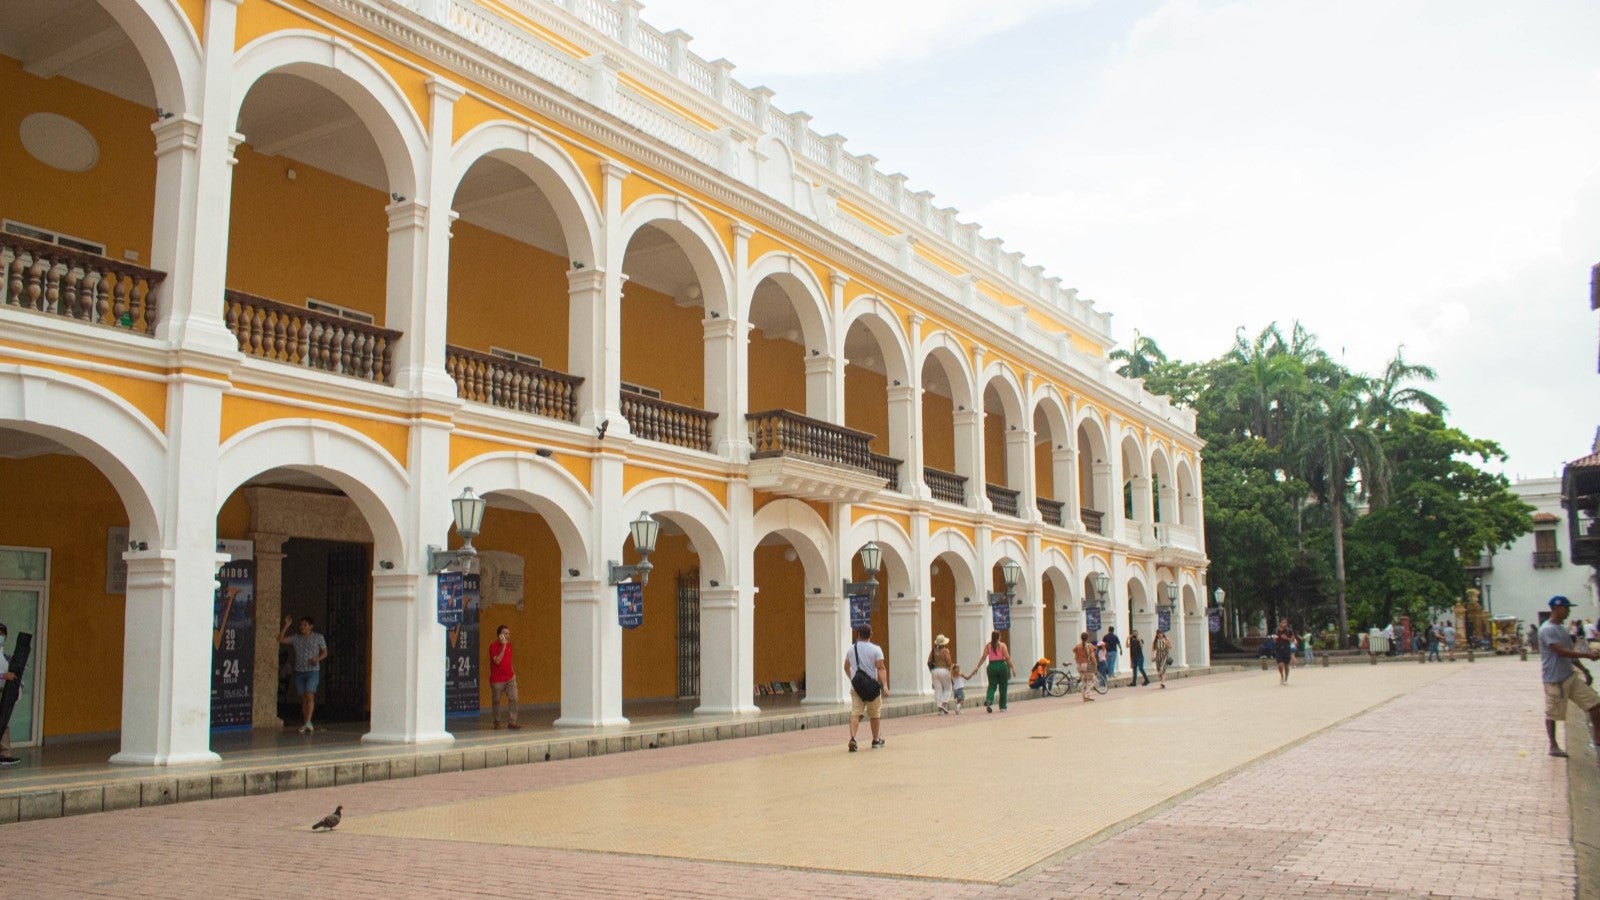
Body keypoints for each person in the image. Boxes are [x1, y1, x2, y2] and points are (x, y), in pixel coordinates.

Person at [1538, 595, 1600, 759]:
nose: (1568, 611)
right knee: (1553, 713)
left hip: (1569, 676)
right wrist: (1587, 655)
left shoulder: (1563, 629)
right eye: (1566, 608)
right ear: (1557, 608)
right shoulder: (1547, 629)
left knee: (1594, 704)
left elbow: (1570, 655)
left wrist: (1584, 670)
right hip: (1555, 679)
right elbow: (1560, 651)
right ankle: (1553, 745)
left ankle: (1598, 739)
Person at [279, 615, 328, 733]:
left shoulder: (318, 637)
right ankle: (306, 722)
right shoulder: (296, 638)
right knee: (303, 698)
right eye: (301, 625)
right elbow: (280, 639)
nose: (302, 627)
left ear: (311, 626)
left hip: (312, 671)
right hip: (300, 671)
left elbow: (325, 652)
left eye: (305, 625)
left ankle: (308, 722)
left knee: (310, 695)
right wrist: (286, 625)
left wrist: (318, 658)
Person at [843, 624, 888, 751]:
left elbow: (846, 666)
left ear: (858, 634)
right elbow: (880, 668)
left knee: (855, 713)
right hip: (872, 688)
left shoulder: (851, 649)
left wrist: (853, 679)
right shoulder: (876, 649)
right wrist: (884, 685)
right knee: (874, 714)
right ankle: (875, 740)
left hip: (856, 687)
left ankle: (853, 738)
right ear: (871, 634)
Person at [971, 630, 1014, 712]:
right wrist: (1013, 667)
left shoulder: (988, 646)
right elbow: (1007, 657)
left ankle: (989, 700)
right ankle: (1003, 706)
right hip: (1001, 666)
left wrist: (977, 667)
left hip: (991, 667)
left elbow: (983, 657)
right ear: (999, 637)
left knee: (992, 685)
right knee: (1003, 686)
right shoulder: (1002, 645)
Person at [488, 625, 521, 729]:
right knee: (496, 700)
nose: (508, 636)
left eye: (508, 633)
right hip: (497, 679)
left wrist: (513, 673)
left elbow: (509, 661)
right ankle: (497, 721)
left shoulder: (510, 646)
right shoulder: (493, 646)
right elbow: (497, 661)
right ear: (500, 635)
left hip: (510, 677)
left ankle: (512, 721)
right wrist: (503, 647)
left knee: (514, 697)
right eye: (505, 634)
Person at [0, 623, 18, 765]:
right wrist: (3, 676)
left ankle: (4, 754)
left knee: (3, 721)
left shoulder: (2, 652)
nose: (1, 637)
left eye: (3, 634)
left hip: (2, 690)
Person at [929, 634, 954, 714]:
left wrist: (932, 671)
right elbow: (948, 662)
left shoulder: (933, 651)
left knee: (938, 689)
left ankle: (939, 706)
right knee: (948, 688)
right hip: (944, 670)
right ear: (943, 643)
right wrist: (951, 669)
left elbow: (928, 661)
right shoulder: (945, 651)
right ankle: (943, 703)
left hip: (934, 671)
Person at [1071, 632, 1097, 702]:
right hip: (1086, 665)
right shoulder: (1089, 646)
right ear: (1087, 638)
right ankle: (1087, 694)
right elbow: (1092, 656)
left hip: (1079, 665)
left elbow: (1074, 652)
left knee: (1084, 680)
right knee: (1092, 679)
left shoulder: (1078, 646)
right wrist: (1095, 664)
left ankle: (1083, 696)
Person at [1274, 618, 1297, 685]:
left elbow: (1292, 639)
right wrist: (1274, 639)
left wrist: (1286, 638)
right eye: (1283, 622)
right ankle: (1282, 676)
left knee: (1286, 665)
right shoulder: (1276, 630)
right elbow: (1274, 639)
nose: (1284, 624)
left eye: (1285, 622)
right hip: (1278, 649)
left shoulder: (1289, 630)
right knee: (1280, 664)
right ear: (1280, 623)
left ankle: (1286, 678)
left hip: (1286, 649)